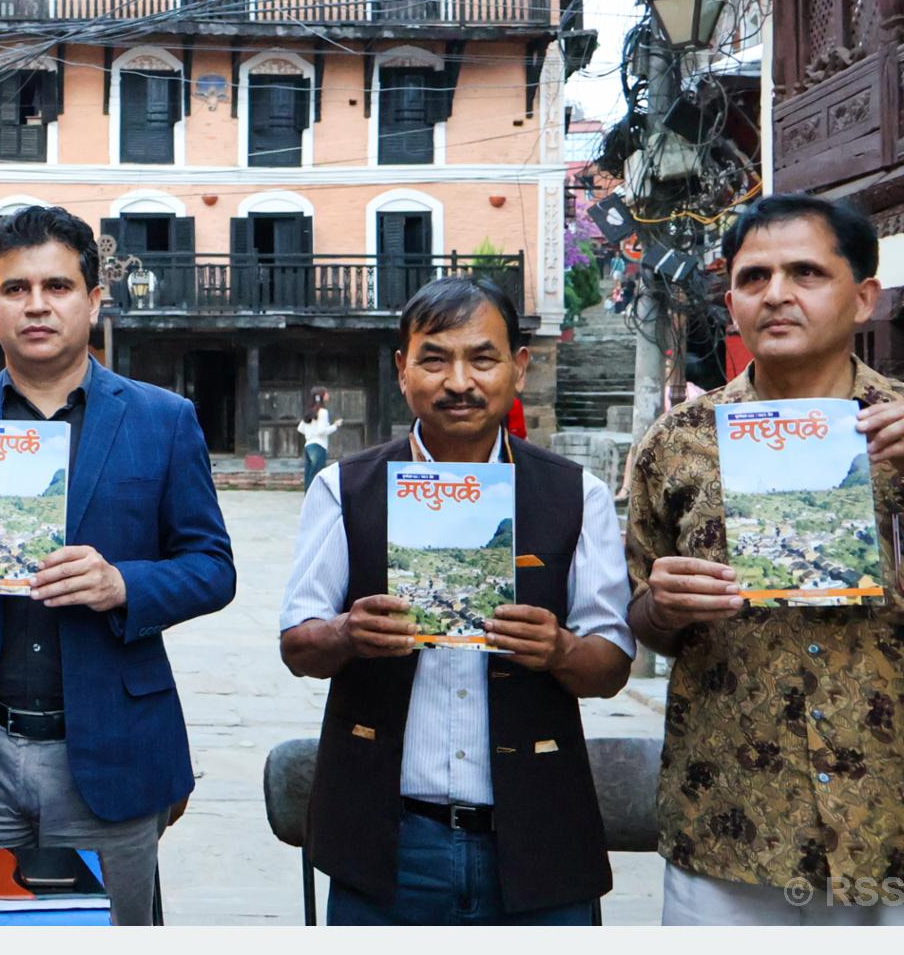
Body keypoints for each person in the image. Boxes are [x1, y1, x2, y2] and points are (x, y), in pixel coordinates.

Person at [0, 205, 237, 925]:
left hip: (110, 746)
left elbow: (212, 565)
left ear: (93, 298)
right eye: (15, 288)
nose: (37, 304)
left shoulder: (162, 420)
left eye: (57, 285)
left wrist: (124, 583)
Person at [280, 276, 633, 925]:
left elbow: (611, 665)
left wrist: (559, 649)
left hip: (537, 836)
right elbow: (297, 644)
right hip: (387, 839)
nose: (459, 380)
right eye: (435, 358)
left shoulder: (573, 494)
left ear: (519, 368)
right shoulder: (344, 488)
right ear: (402, 369)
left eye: (483, 357)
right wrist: (347, 633)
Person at [625, 194, 904, 925]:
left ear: (863, 297)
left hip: (891, 819)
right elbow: (643, 621)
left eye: (806, 272)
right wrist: (661, 606)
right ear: (732, 302)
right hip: (728, 829)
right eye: (754, 278)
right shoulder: (674, 443)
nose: (776, 294)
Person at [298, 387, 341, 490]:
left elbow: (300, 428)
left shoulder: (309, 411)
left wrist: (310, 434)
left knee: (309, 476)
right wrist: (335, 426)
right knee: (317, 475)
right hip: (318, 446)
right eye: (326, 393)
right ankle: (315, 500)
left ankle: (308, 500)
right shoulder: (323, 412)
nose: (328, 395)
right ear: (322, 396)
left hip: (308, 445)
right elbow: (321, 431)